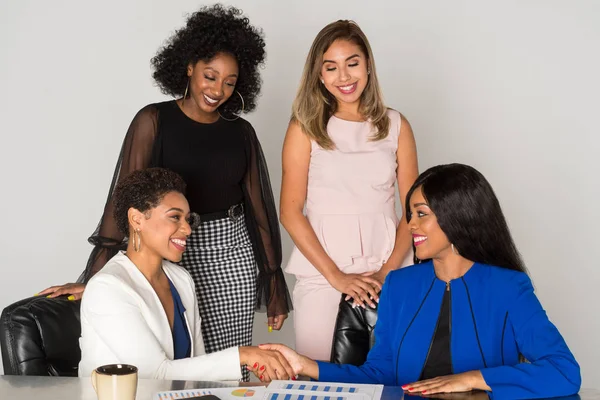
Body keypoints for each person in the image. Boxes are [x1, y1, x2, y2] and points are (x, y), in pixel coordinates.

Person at [37, 5, 291, 380]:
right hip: (174, 247)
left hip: (231, 253)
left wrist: (272, 280)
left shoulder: (241, 133)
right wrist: (97, 278)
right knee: (177, 359)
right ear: (189, 67)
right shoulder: (153, 120)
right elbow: (126, 202)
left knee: (232, 367)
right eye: (210, 76)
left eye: (230, 82)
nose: (218, 90)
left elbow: (259, 210)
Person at [262, 164, 581, 399]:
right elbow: (379, 374)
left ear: (457, 216)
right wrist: (305, 365)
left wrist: (472, 379)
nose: (410, 225)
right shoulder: (400, 286)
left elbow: (564, 371)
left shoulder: (509, 288)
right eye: (409, 214)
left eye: (421, 214)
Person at [280, 19, 418, 361]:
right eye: (331, 67)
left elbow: (413, 211)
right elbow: (290, 212)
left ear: (368, 66)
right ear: (320, 75)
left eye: (352, 63)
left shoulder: (397, 126)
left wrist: (387, 272)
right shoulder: (305, 127)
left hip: (391, 270)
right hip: (324, 272)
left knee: (396, 379)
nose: (344, 77)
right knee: (321, 379)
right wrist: (337, 277)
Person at [78, 168, 294, 382]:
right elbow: (153, 375)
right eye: (175, 217)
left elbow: (196, 367)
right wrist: (244, 355)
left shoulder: (180, 279)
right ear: (136, 219)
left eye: (187, 219)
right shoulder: (108, 287)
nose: (188, 230)